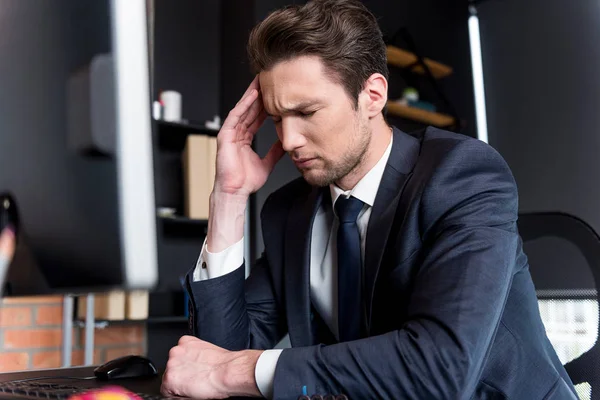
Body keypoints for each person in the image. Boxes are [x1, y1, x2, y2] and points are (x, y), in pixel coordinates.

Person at [160, 0, 578, 399]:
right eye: (276, 119)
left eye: (306, 113)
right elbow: (212, 363)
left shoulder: (462, 177)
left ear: (372, 95)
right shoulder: (290, 211)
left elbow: (439, 370)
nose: (287, 140)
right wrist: (229, 197)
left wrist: (237, 371)